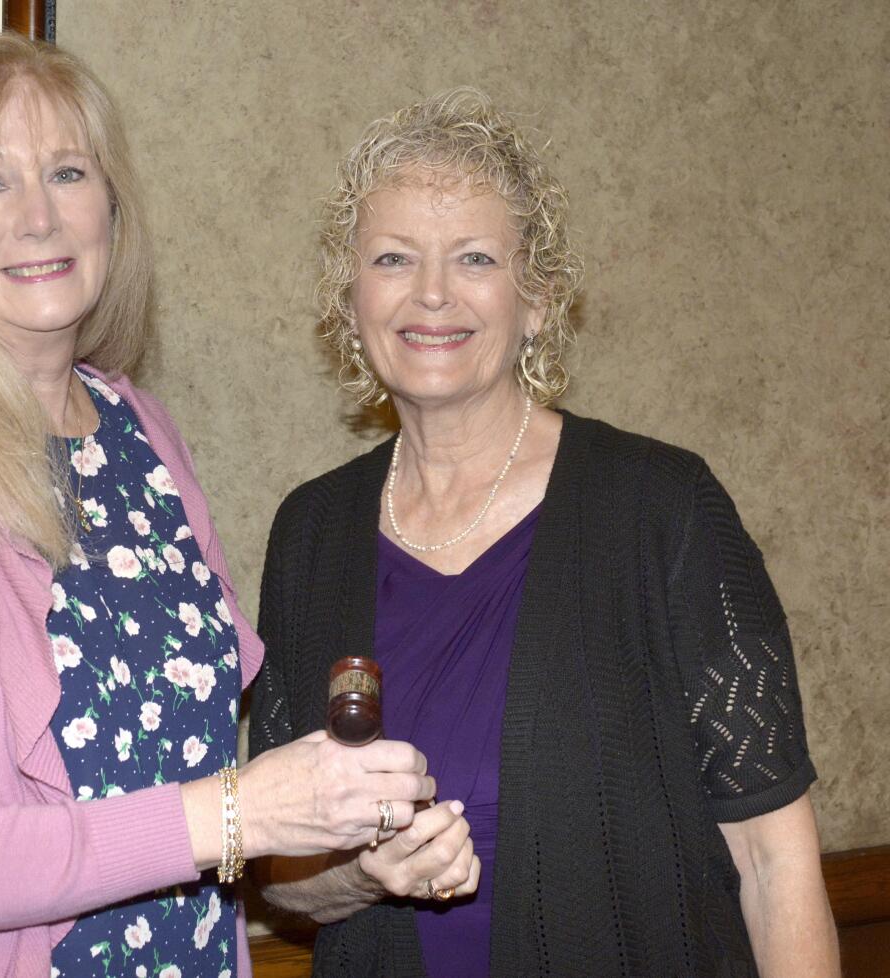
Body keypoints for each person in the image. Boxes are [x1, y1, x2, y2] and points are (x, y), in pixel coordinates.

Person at [0, 34, 437, 978]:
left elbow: (176, 792)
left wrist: (341, 841)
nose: (39, 218)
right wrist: (236, 813)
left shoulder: (139, 431)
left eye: (68, 172)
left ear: (111, 209)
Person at [250, 88, 841, 977]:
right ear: (351, 297)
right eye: (393, 258)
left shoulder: (662, 509)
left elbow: (773, 859)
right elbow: (282, 877)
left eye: (476, 257)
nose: (433, 293)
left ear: (537, 300)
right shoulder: (310, 532)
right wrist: (365, 877)